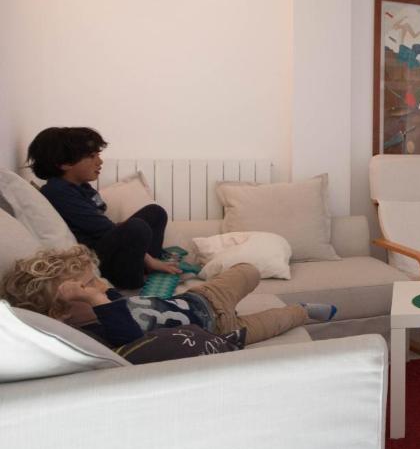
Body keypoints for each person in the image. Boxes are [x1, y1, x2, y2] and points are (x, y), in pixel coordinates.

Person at [2, 245, 338, 347]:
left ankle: (211, 270)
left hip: (202, 298)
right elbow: (128, 333)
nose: (101, 287)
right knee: (276, 320)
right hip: (220, 328)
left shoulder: (105, 307)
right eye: (90, 285)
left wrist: (98, 293)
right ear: (60, 314)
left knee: (248, 269)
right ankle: (303, 311)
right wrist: (96, 301)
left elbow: (118, 301)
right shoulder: (99, 332)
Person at [27, 126, 179, 289]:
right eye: (92, 156)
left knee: (155, 212)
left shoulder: (81, 186)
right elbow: (104, 229)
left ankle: (145, 266)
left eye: (98, 155)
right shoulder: (57, 191)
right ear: (64, 164)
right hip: (94, 257)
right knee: (136, 228)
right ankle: (132, 280)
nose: (100, 161)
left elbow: (101, 211)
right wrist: (150, 259)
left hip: (105, 246)